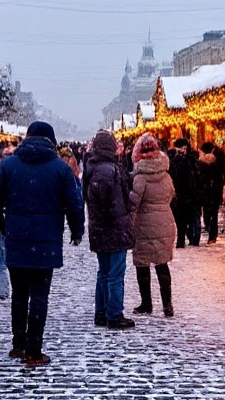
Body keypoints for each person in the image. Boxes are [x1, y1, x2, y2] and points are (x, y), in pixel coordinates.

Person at [0, 121, 85, 368]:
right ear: (51, 142)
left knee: (19, 293)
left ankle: (18, 343)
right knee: (40, 295)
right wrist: (76, 230)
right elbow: (74, 204)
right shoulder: (60, 169)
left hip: (17, 238)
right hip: (46, 240)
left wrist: (3, 225)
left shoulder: (7, 166)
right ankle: (34, 350)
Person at [83, 130, 136, 330]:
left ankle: (101, 312)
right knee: (115, 273)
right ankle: (114, 314)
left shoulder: (93, 167)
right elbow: (109, 201)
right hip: (113, 229)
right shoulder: (108, 170)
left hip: (99, 228)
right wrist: (125, 210)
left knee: (104, 272)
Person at [129, 134, 176, 317]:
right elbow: (171, 196)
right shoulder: (166, 176)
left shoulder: (140, 178)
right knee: (162, 264)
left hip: (144, 225)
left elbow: (134, 203)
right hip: (165, 222)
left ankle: (146, 304)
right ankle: (167, 304)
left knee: (142, 264)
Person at [0, 142, 17, 301]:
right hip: (13, 214)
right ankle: (8, 288)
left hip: (5, 213)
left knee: (1, 254)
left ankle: (3, 289)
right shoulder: (20, 169)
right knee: (10, 253)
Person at [169, 138, 201, 247]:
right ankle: (185, 238)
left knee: (185, 217)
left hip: (185, 194)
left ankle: (188, 238)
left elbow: (195, 176)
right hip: (184, 193)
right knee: (184, 217)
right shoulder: (186, 160)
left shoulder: (188, 160)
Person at [197, 141, 225, 245]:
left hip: (205, 189)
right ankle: (212, 234)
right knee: (214, 212)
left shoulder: (200, 161)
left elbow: (198, 175)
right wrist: (221, 182)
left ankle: (209, 228)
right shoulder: (219, 159)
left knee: (207, 210)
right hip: (215, 189)